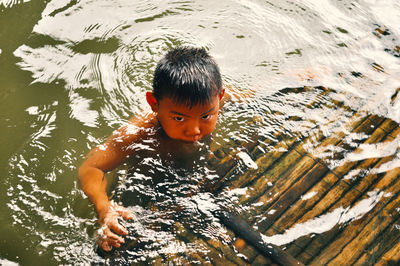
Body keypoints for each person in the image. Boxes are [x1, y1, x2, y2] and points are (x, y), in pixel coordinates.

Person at [78, 46, 226, 251]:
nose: (194, 130)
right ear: (153, 103)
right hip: (150, 184)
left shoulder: (214, 99)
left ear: (219, 97)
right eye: (179, 118)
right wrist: (105, 207)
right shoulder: (138, 132)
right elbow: (90, 167)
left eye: (206, 117)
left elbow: (255, 91)